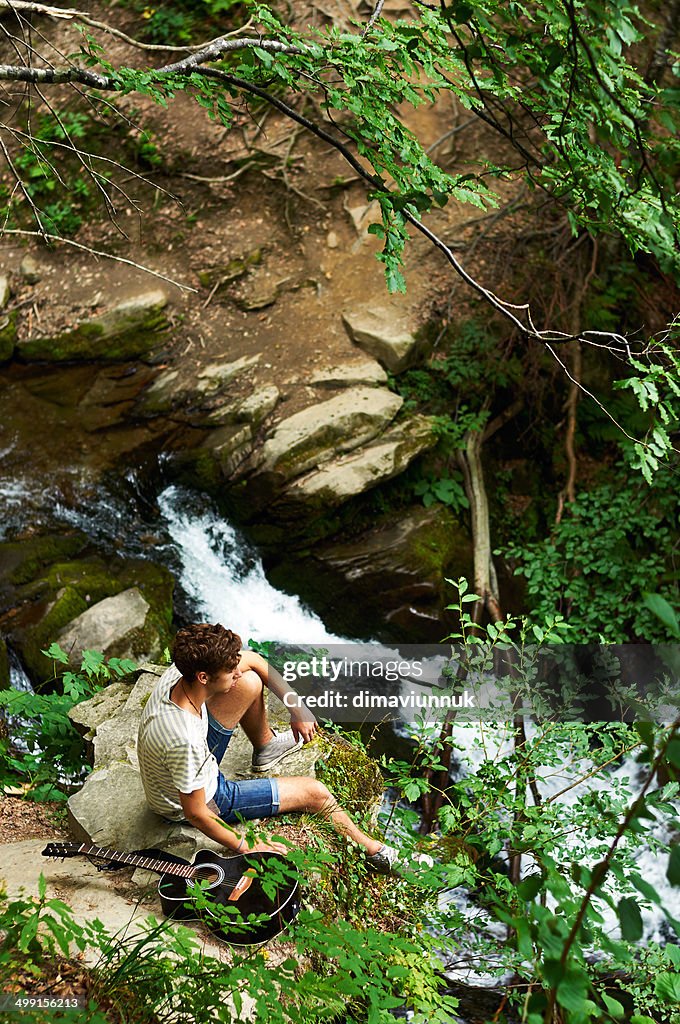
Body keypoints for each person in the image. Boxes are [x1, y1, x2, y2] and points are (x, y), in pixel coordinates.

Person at [137, 622, 408, 871]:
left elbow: (254, 661)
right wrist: (246, 845)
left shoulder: (183, 670)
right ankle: (375, 852)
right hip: (199, 799)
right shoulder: (183, 739)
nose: (235, 673)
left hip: (193, 762)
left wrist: (297, 708)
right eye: (229, 671)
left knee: (250, 682)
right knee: (315, 793)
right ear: (204, 677)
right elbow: (196, 812)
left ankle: (266, 746)